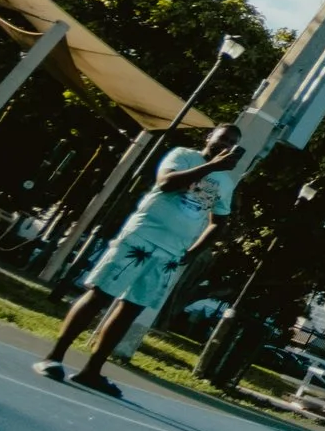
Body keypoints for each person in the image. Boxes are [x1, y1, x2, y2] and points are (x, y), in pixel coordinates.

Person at [34, 123, 244, 398]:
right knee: (100, 295)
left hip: (171, 253)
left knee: (131, 308)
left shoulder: (225, 184)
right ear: (209, 138)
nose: (223, 145)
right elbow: (166, 183)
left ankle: (92, 370)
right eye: (221, 139)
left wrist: (192, 252)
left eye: (230, 143)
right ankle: (54, 357)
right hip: (141, 237)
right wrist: (211, 167)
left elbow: (219, 222)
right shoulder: (182, 155)